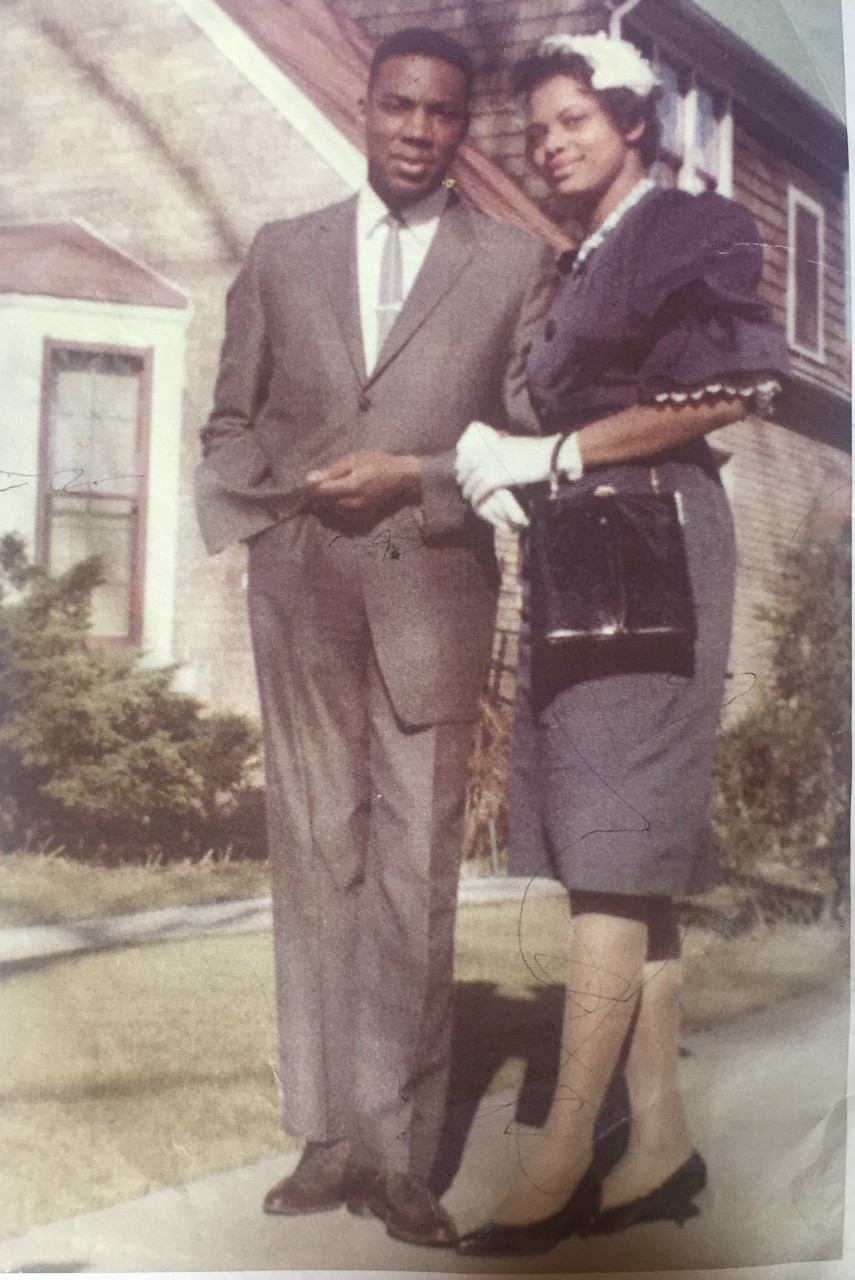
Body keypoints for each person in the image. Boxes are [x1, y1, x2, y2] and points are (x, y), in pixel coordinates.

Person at [195, 26, 550, 1249]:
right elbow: (228, 421)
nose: (416, 128)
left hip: (430, 598)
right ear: (365, 106)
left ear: (462, 129)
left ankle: (400, 1155)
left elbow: (527, 452)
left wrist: (414, 475)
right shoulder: (283, 253)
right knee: (314, 861)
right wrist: (263, 506)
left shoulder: (512, 264)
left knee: (412, 875)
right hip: (299, 597)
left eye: (441, 113)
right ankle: (329, 1134)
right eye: (398, 105)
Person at [453, 32, 790, 1257]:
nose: (550, 145)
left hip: (649, 550)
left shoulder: (689, 229)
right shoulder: (577, 258)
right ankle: (659, 1140)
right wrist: (506, 466)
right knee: (623, 853)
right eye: (537, 129)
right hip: (580, 554)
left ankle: (561, 1153)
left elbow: (734, 392)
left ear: (632, 122)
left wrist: (556, 455)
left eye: (573, 122)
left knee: (611, 847)